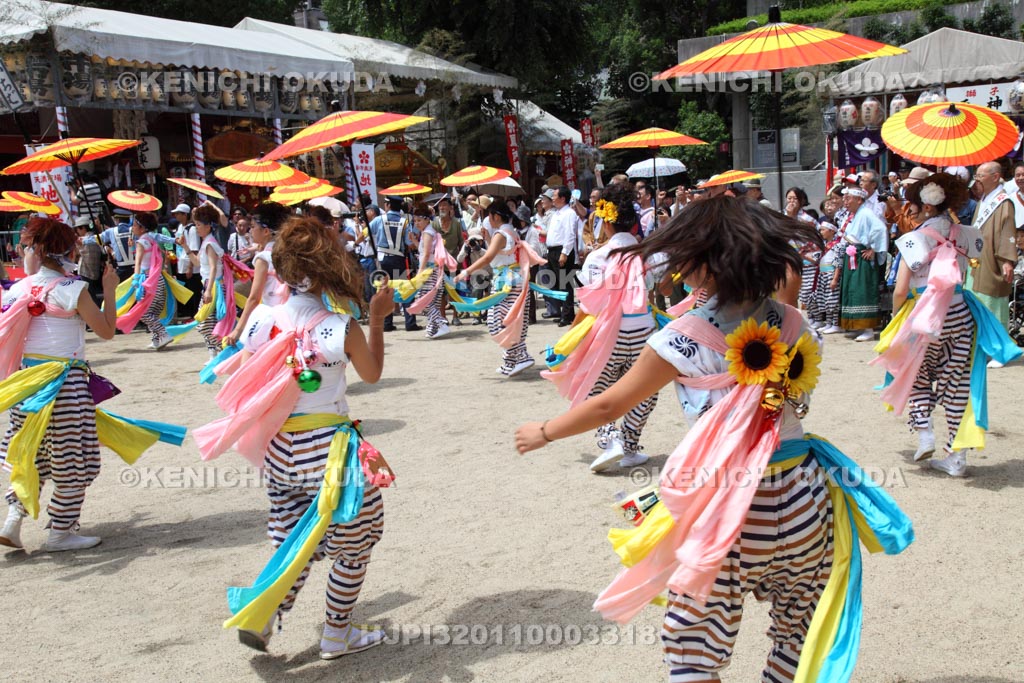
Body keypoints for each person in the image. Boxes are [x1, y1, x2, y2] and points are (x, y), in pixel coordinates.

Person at [514, 196, 913, 683]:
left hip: (728, 505)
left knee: (693, 644)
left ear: (702, 265)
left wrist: (544, 431)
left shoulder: (682, 336)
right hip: (805, 495)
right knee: (800, 629)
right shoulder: (796, 323)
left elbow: (608, 406)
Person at [192, 217, 393, 659]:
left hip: (280, 449)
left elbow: (253, 374)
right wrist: (377, 318)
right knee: (357, 541)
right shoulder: (341, 326)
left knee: (294, 541)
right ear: (329, 268)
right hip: (330, 452)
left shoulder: (261, 319)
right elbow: (372, 374)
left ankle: (264, 614)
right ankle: (337, 633)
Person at [0, 218, 186, 551]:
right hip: (65, 384)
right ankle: (61, 531)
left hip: (26, 384)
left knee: (30, 455)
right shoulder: (74, 289)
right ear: (68, 251)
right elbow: (106, 330)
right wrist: (110, 289)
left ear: (36, 251)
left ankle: (12, 522)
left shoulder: (19, 289)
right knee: (75, 460)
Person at [874, 172, 1021, 477]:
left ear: (927, 206)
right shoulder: (968, 234)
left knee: (916, 375)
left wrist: (898, 319)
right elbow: (970, 266)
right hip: (960, 313)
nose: (910, 211)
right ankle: (956, 458)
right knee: (957, 383)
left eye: (913, 206)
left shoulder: (913, 239)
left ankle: (925, 432)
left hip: (925, 316)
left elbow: (900, 290)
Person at [543, 183, 662, 472]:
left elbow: (589, 306)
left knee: (596, 387)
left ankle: (611, 440)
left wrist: (568, 339)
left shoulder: (598, 257)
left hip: (610, 332)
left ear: (606, 223)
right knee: (644, 391)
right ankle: (630, 446)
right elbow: (659, 288)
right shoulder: (647, 254)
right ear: (633, 223)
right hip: (644, 330)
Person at [455, 202, 546, 377]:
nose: (488, 219)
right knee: (509, 321)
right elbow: (501, 253)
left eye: (489, 216)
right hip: (513, 279)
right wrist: (488, 238)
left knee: (497, 322)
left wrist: (466, 271)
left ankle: (522, 357)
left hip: (507, 281)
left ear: (496, 216)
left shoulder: (501, 233)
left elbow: (488, 257)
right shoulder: (511, 231)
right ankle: (511, 361)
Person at [966, 161, 1019, 353]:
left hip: (993, 261)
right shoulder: (983, 201)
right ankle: (982, 347)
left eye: (981, 176)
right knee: (976, 302)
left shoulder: (1004, 202)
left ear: (995, 177)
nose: (977, 180)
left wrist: (1007, 261)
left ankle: (999, 349)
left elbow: (1007, 231)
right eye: (976, 176)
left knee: (992, 304)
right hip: (977, 259)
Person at [224, 202, 292, 348]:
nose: (250, 230)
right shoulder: (286, 252)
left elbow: (254, 298)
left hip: (271, 318)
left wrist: (238, 330)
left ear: (266, 231)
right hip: (290, 315)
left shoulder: (263, 258)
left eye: (253, 226)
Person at [116, 211, 189, 349]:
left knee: (143, 312)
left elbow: (138, 263)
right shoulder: (152, 237)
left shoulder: (141, 242)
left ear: (142, 228)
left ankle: (163, 334)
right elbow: (164, 238)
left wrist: (136, 280)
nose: (132, 227)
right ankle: (157, 339)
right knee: (154, 312)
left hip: (148, 280)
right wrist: (175, 241)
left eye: (135, 225)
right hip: (158, 279)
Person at [839, 187, 888, 341]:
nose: (845, 202)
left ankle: (868, 328)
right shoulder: (856, 215)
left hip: (862, 257)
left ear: (859, 200)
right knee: (852, 289)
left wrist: (873, 249)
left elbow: (881, 229)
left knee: (863, 290)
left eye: (848, 198)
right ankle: (856, 325)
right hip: (852, 255)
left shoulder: (866, 213)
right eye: (844, 198)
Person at [370, 197, 420, 332]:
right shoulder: (405, 222)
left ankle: (387, 323)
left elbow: (368, 231)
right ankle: (410, 323)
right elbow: (409, 244)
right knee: (405, 289)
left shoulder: (379, 219)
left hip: (383, 260)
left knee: (385, 289)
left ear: (387, 205)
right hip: (398, 259)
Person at [406, 203, 456, 339]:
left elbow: (427, 253)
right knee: (432, 301)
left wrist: (420, 272)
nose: (416, 223)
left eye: (419, 220)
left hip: (429, 270)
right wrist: (414, 241)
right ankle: (433, 328)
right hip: (433, 269)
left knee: (423, 300)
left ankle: (441, 324)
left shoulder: (428, 232)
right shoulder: (428, 232)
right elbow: (424, 251)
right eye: (415, 221)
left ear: (427, 219)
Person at [545, 186, 580, 326]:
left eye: (554, 196)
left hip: (562, 251)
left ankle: (567, 315)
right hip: (553, 251)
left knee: (565, 284)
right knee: (558, 284)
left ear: (563, 198)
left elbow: (570, 234)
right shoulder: (556, 213)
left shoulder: (569, 213)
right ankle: (565, 313)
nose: (552, 198)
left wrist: (564, 253)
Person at [74, 216, 104, 306]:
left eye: (77, 229)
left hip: (85, 272)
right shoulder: (98, 237)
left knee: (90, 298)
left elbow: (76, 253)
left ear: (83, 228)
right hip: (96, 272)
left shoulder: (82, 240)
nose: (77, 232)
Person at [101, 208, 135, 280]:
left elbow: (98, 238)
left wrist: (83, 240)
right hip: (136, 269)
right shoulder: (135, 230)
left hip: (121, 270)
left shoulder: (111, 231)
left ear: (117, 220)